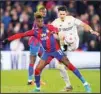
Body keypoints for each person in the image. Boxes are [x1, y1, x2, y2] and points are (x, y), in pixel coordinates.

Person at [2, 12, 98, 93]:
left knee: (70, 66)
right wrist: (8, 39)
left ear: (42, 21)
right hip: (47, 53)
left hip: (56, 51)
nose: (40, 22)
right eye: (38, 21)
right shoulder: (34, 32)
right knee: (37, 70)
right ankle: (38, 88)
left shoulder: (49, 27)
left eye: (41, 21)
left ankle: (85, 84)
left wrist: (58, 34)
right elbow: (21, 35)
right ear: (36, 22)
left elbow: (57, 31)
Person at [28, 7, 72, 91]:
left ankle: (33, 80)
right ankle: (34, 80)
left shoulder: (40, 21)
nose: (44, 13)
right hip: (36, 43)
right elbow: (38, 32)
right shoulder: (38, 21)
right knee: (38, 62)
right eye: (43, 12)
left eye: (45, 12)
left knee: (39, 62)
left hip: (37, 43)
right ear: (39, 12)